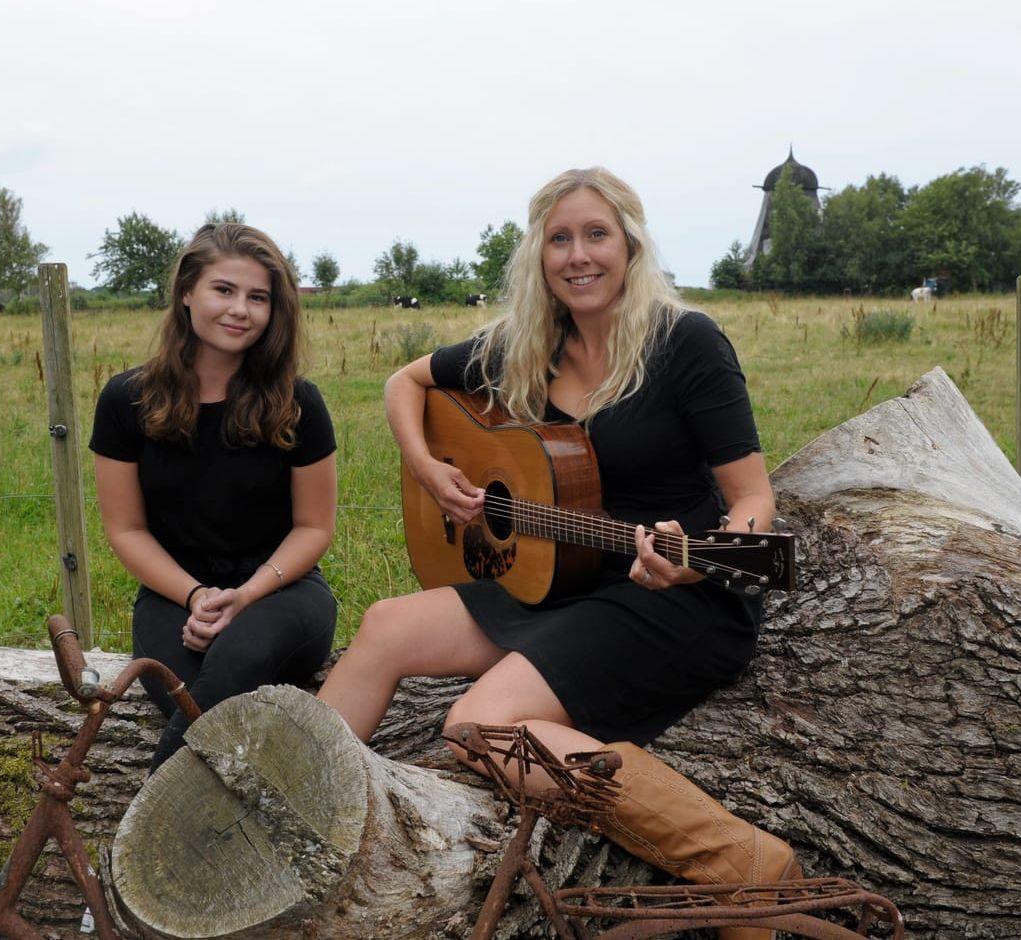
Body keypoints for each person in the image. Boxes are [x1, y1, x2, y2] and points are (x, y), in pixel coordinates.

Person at [317, 168, 800, 912]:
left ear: (631, 245)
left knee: (480, 724)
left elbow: (752, 501)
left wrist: (700, 563)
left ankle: (739, 857)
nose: (578, 256)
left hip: (672, 597)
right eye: (560, 239)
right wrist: (428, 466)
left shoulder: (686, 343)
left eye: (596, 235)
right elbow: (404, 383)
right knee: (382, 627)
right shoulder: (526, 345)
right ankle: (301, 825)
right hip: (560, 576)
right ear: (538, 257)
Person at [90, 222, 337, 771]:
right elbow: (126, 529)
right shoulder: (126, 400)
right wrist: (197, 595)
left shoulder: (298, 402)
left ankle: (148, 819)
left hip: (283, 593)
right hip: (173, 596)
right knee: (188, 688)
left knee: (240, 655)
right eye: (223, 290)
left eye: (258, 297)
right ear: (186, 293)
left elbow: (314, 527)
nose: (240, 310)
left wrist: (245, 596)